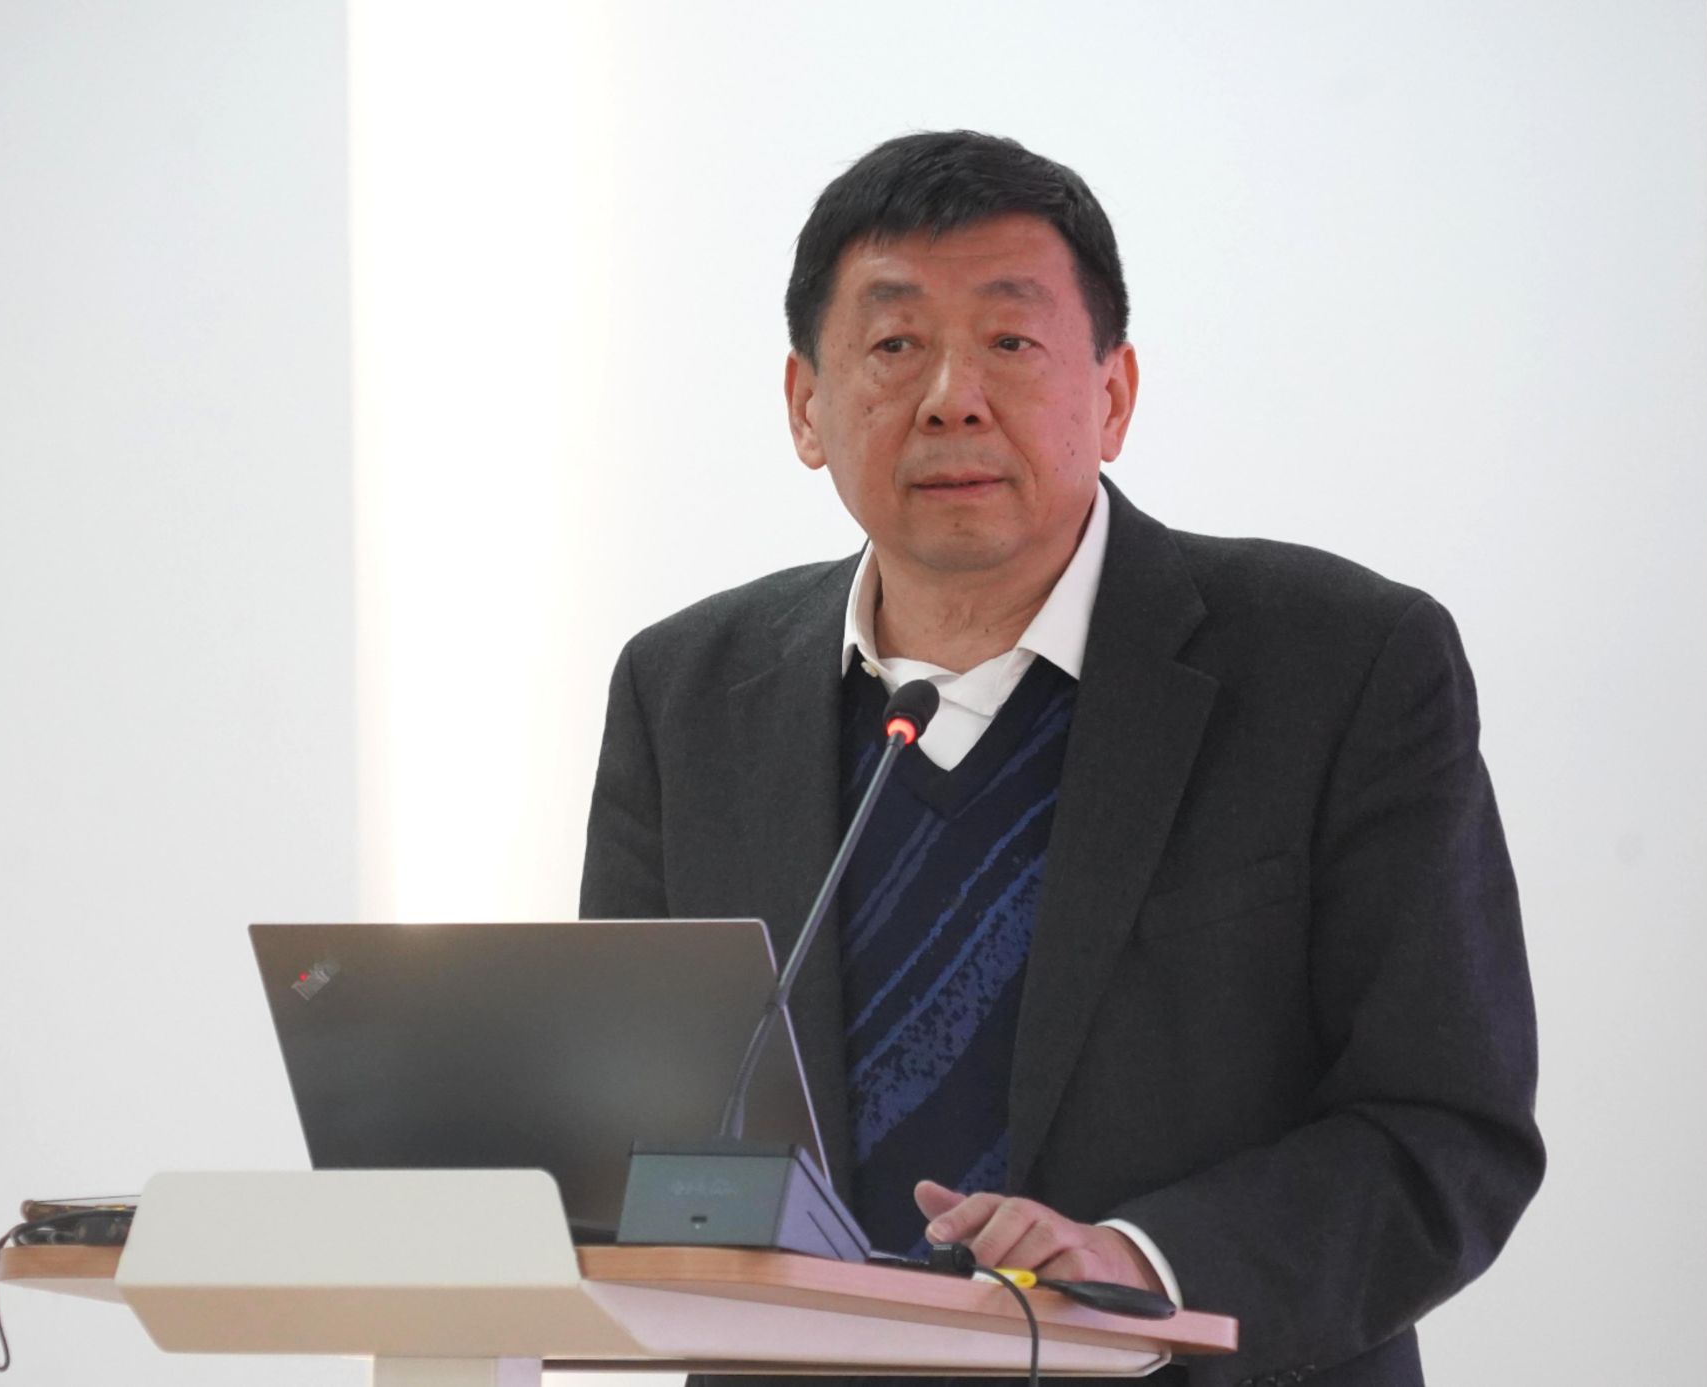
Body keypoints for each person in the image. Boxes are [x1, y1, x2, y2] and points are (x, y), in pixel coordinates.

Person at [581, 130, 1543, 1387]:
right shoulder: (687, 693)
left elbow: (1444, 1126)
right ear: (804, 406)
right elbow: (632, 1137)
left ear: (1114, 395)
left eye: (1010, 341)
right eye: (893, 344)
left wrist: (1136, 1265)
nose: (950, 396)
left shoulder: (1340, 666)